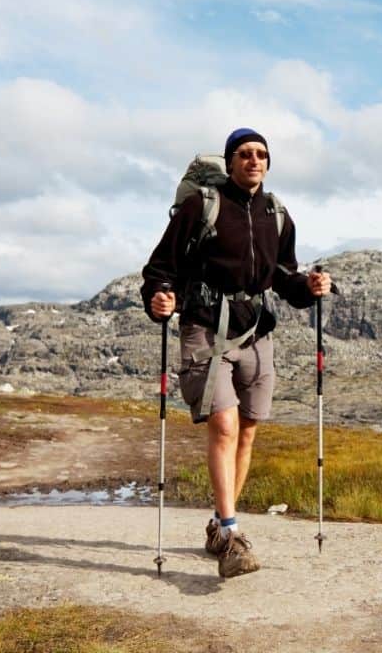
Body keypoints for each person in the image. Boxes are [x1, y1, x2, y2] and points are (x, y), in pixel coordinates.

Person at [140, 128, 331, 578]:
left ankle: (218, 524)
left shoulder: (277, 214)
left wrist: (309, 287)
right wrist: (160, 298)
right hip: (205, 329)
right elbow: (160, 268)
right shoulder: (200, 207)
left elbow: (284, 276)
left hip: (256, 332)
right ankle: (230, 536)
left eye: (261, 155)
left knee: (247, 430)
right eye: (244, 154)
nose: (254, 160)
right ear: (230, 163)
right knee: (224, 425)